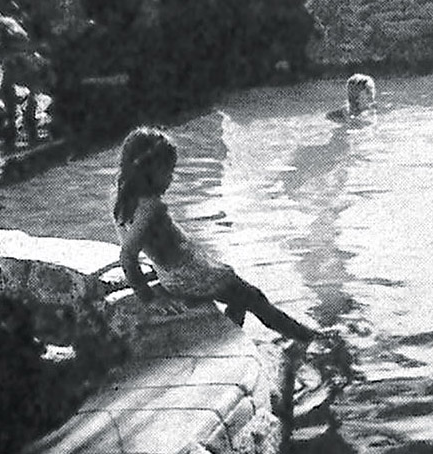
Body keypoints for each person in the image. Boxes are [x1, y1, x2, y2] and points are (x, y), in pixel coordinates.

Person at [114, 126, 319, 341]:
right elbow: (127, 255)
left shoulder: (120, 194)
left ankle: (231, 332)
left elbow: (125, 236)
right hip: (187, 275)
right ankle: (305, 337)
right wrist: (149, 298)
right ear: (149, 170)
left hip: (178, 270)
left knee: (240, 295)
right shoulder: (150, 208)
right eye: (168, 172)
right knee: (254, 297)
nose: (171, 179)